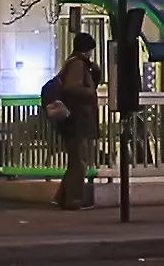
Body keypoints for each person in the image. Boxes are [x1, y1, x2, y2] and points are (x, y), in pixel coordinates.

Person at [54, 34, 101, 210]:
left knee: (76, 160)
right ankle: (74, 200)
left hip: (74, 119)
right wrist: (90, 91)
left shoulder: (74, 63)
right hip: (77, 119)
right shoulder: (78, 64)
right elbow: (72, 88)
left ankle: (63, 198)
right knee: (78, 161)